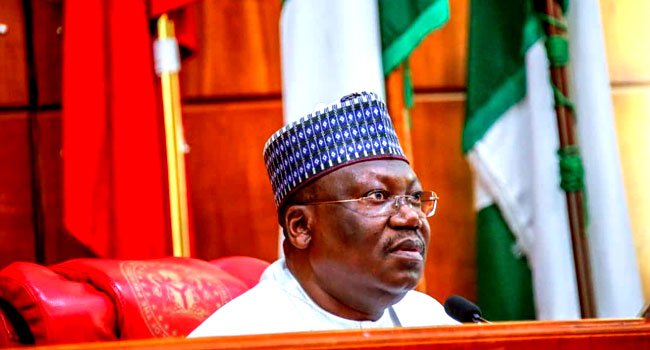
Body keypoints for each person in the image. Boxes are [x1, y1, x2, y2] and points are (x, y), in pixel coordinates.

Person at [188, 91, 457, 337]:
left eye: (414, 198)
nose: (411, 218)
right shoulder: (238, 338)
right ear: (301, 227)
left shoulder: (435, 323)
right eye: (377, 196)